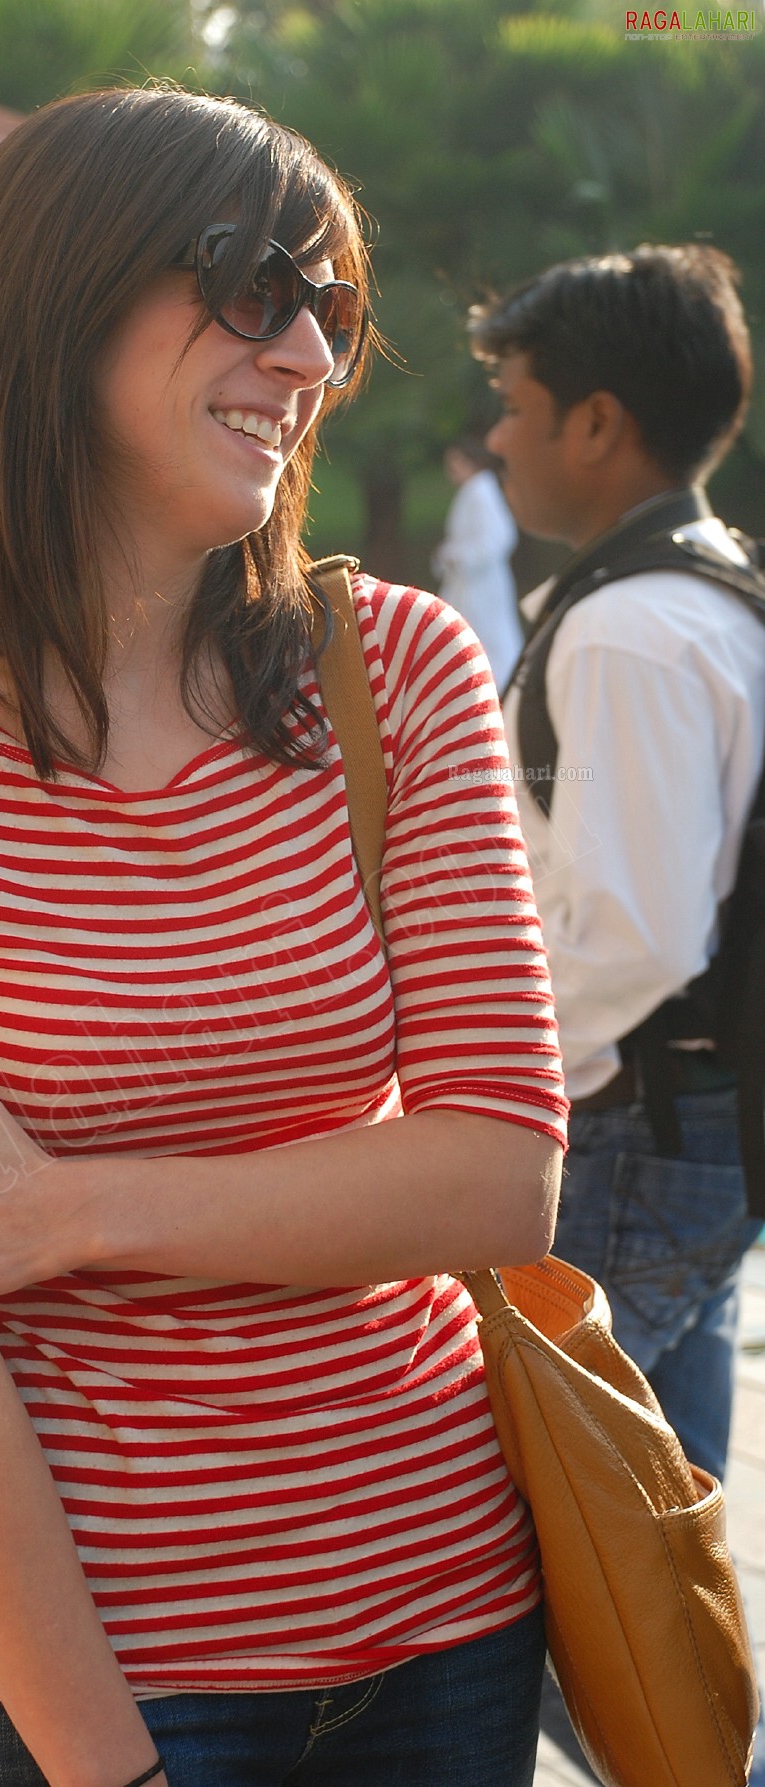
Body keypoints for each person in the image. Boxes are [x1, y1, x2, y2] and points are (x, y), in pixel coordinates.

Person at [0, 87, 566, 1787]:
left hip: (448, 1632)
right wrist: (101, 1761)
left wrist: (54, 1209)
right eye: (251, 284)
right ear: (57, 294)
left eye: (332, 311)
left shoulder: (394, 671)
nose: (304, 354)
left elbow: (493, 1175)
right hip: (79, 1679)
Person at [469, 245, 765, 1482]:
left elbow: (634, 936)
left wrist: (511, 1084)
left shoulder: (625, 631)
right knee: (663, 1513)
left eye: (514, 405)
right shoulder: (706, 584)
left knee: (571, 1527)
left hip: (628, 1126)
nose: (494, 439)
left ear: (595, 423)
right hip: (687, 1116)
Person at [431, 437, 523, 689]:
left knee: (490, 638)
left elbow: (496, 540)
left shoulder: (480, 491)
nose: (452, 470)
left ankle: (501, 690)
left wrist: (456, 555)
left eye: (456, 462)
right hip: (470, 583)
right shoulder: (476, 490)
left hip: (481, 585)